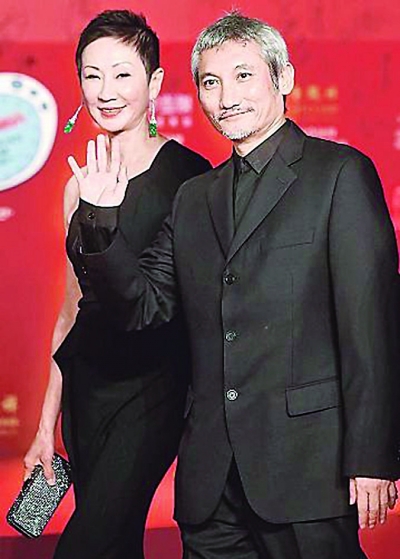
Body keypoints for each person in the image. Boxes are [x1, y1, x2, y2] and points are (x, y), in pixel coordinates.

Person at [68, 12, 400, 559]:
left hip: (307, 472)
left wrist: (372, 456)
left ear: (283, 78)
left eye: (243, 76)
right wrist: (101, 223)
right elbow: (143, 306)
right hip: (211, 483)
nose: (227, 98)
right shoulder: (194, 197)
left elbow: (372, 327)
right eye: (210, 82)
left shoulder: (339, 174)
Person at [23, 9, 210, 559]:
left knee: (89, 543)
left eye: (123, 74)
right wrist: (45, 425)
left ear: (155, 82)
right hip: (89, 391)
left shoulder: (192, 179)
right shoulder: (76, 187)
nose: (106, 91)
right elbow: (71, 311)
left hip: (154, 391)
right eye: (92, 75)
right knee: (116, 545)